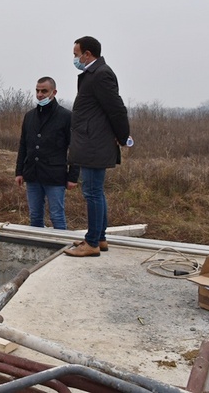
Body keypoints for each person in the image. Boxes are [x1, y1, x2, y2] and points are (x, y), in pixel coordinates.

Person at [65, 36, 130, 257]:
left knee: (92, 193)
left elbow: (117, 109)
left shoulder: (101, 74)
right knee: (96, 192)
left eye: (76, 54)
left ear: (88, 54)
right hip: (92, 140)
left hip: (94, 143)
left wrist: (123, 137)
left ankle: (92, 243)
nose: (75, 58)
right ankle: (99, 238)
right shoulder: (94, 74)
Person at [15, 77, 79, 230]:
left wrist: (73, 176)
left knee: (57, 215)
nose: (40, 94)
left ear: (54, 92)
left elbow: (75, 148)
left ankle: (62, 247)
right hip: (32, 174)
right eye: (37, 91)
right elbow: (23, 144)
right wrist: (19, 172)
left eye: (44, 91)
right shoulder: (29, 116)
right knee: (35, 215)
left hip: (54, 175)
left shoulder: (66, 116)